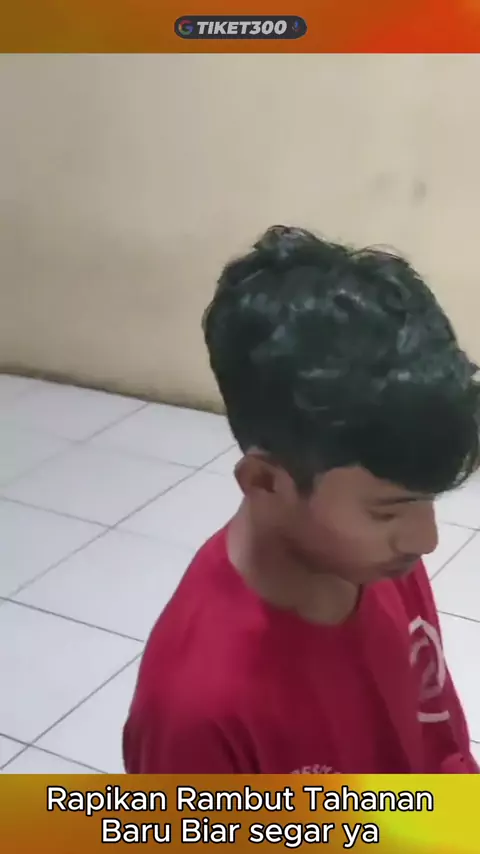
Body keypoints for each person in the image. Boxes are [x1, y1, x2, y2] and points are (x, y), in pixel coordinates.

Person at [123, 225, 480, 774]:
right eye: (386, 510)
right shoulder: (194, 715)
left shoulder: (379, 558)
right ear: (266, 483)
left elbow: (438, 742)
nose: (425, 540)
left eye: (425, 501)